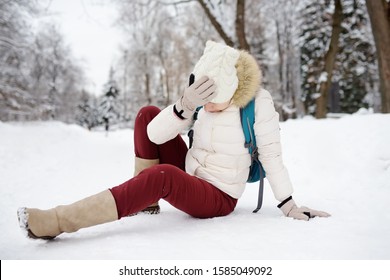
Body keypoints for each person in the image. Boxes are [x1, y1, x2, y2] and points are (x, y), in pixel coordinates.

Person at [17, 41, 330, 240]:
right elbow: (153, 134)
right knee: (147, 115)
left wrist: (288, 204)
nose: (206, 106)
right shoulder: (201, 102)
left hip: (218, 194)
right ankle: (146, 198)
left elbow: (273, 155)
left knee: (162, 176)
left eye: (213, 99)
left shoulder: (258, 103)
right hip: (191, 171)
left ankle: (59, 220)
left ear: (232, 89)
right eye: (202, 97)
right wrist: (185, 106)